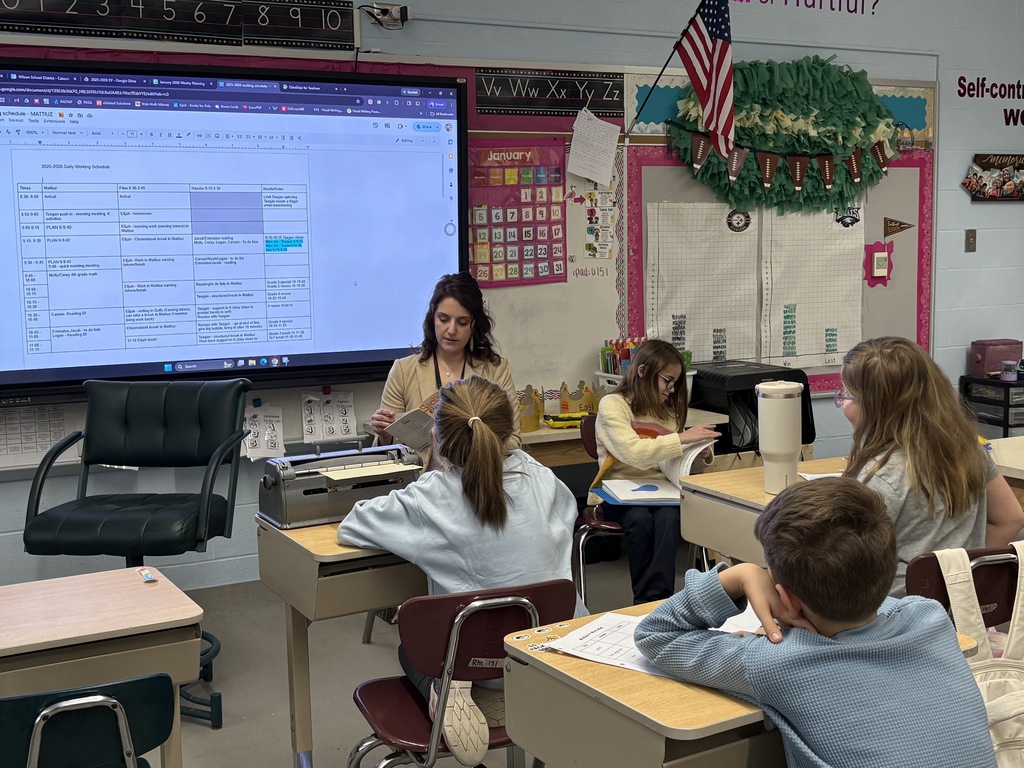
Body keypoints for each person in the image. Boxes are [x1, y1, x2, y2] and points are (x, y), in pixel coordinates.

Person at [635, 477, 997, 768]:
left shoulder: (778, 660)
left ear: (787, 600)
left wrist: (739, 577)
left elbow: (656, 633)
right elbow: (871, 599)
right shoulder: (930, 616)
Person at [339, 375, 578, 767]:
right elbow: (563, 520)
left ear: (437, 433)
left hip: (475, 666)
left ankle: (444, 689)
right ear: (508, 433)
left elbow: (353, 524)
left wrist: (432, 466)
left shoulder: (430, 497)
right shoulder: (540, 478)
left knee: (410, 649)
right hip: (550, 656)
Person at [838, 336, 1024, 596]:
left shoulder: (881, 478)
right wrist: (960, 581)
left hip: (893, 616)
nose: (843, 404)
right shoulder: (967, 451)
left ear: (875, 406)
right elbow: (1011, 518)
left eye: (846, 394)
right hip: (958, 610)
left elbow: (843, 570)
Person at [589, 339, 720, 604]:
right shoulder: (613, 405)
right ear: (643, 373)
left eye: (675, 383)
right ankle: (646, 601)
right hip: (618, 491)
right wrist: (682, 439)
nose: (671, 390)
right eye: (667, 381)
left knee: (668, 520)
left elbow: (672, 461)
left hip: (662, 491)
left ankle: (658, 601)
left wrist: (699, 453)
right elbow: (633, 453)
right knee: (639, 519)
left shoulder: (669, 411)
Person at [370, 272, 521, 463]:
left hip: (478, 480)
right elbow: (388, 455)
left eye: (462, 322)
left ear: (474, 325)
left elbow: (514, 441)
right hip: (421, 485)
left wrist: (468, 443)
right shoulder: (403, 370)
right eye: (443, 319)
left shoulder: (495, 369)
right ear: (432, 318)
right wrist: (384, 434)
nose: (451, 330)